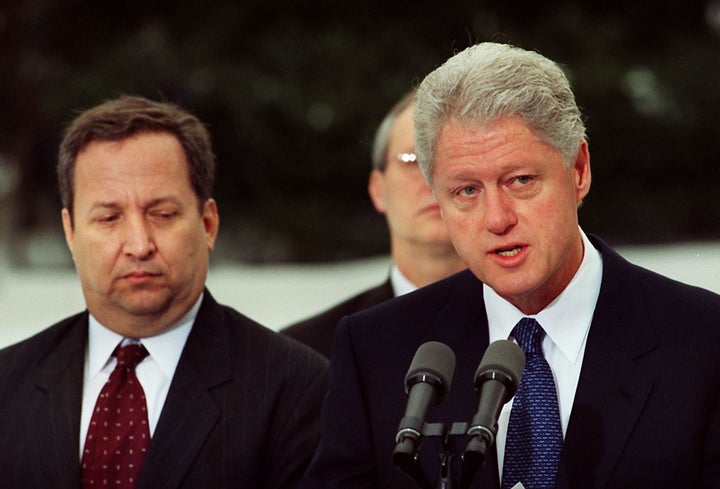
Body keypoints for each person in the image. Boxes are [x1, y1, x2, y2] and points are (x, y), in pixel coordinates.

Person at [300, 42, 720, 489]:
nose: (497, 219)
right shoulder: (375, 351)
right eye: (466, 191)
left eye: (520, 180)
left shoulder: (703, 342)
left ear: (578, 171)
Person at [0, 95, 328, 489]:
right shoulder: (7, 383)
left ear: (207, 224)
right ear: (71, 233)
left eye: (163, 214)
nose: (139, 244)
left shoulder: (296, 389)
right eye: (109, 217)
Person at [282, 90, 465, 358]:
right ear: (378, 189)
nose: (433, 180)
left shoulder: (527, 330)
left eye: (454, 161)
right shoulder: (309, 352)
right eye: (413, 160)